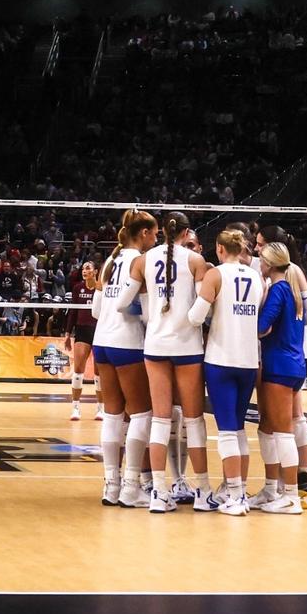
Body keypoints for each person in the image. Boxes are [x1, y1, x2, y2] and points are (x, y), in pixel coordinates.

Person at [114, 210, 213, 514]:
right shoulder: (196, 261)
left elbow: (121, 303)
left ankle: (158, 492)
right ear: (185, 233)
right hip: (187, 346)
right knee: (193, 421)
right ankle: (203, 492)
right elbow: (203, 312)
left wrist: (149, 303)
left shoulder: (143, 260)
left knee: (160, 419)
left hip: (155, 345)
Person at [192, 227, 262, 516]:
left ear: (220, 249)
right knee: (238, 427)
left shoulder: (215, 274)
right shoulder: (256, 277)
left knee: (226, 431)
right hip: (248, 361)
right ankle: (239, 489)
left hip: (221, 360)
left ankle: (235, 496)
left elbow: (195, 317)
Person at [94, 209, 159, 508]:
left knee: (112, 415)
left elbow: (96, 311)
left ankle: (111, 486)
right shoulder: (141, 261)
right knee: (141, 414)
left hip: (102, 342)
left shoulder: (110, 261)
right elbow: (145, 313)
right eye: (154, 234)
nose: (156, 239)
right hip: (128, 342)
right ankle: (132, 487)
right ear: (143, 233)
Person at [253, 241, 305, 515]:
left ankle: (291, 496)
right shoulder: (291, 290)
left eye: (262, 258)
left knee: (283, 432)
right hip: (293, 365)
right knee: (267, 427)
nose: (259, 262)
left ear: (270, 263)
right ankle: (271, 489)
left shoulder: (278, 290)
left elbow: (262, 327)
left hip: (279, 367)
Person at [63, 261, 101, 421]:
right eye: (83, 268)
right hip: (82, 330)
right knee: (78, 370)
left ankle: (100, 408)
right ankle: (75, 407)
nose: (84, 271)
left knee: (99, 374)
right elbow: (73, 312)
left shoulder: (101, 287)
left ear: (96, 271)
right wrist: (67, 333)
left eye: (88, 268)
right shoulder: (78, 288)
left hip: (99, 331)